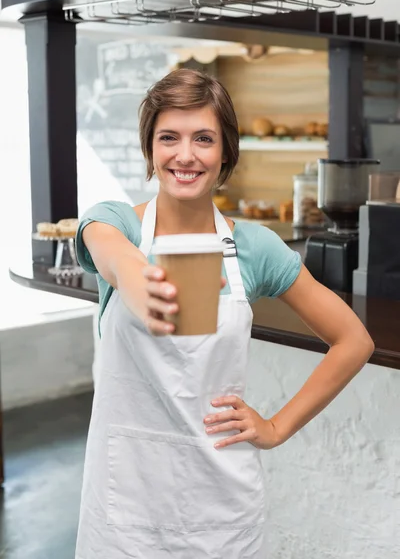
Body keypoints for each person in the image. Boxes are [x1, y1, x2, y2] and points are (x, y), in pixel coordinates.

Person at [74, 69, 374, 559]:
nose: (185, 154)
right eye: (168, 136)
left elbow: (353, 340)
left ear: (226, 153)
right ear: (150, 147)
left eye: (204, 139)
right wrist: (136, 278)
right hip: (124, 503)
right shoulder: (117, 224)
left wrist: (276, 428)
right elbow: (109, 250)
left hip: (221, 507)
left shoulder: (254, 247)